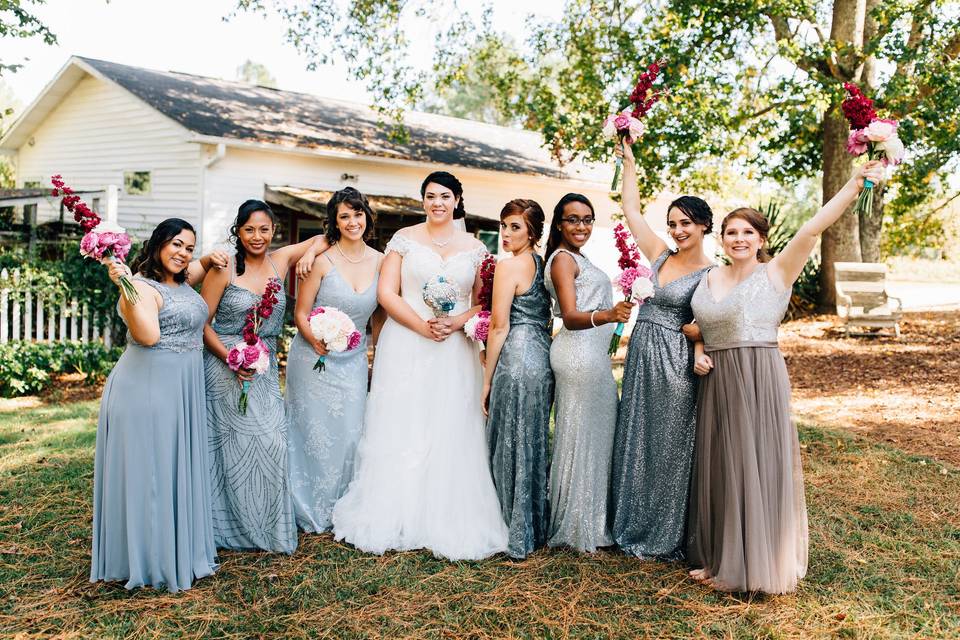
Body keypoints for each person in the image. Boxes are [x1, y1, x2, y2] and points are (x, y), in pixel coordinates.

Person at [686, 161, 885, 593]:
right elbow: (697, 324)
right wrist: (699, 349)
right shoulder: (709, 276)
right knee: (722, 462)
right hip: (717, 379)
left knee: (755, 461)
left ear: (762, 239)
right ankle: (721, 556)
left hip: (758, 374)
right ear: (721, 238)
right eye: (732, 232)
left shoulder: (776, 271)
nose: (739, 239)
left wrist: (853, 184)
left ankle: (756, 561)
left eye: (748, 233)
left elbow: (812, 229)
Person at [332, 171, 509, 560]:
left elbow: (483, 300)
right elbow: (386, 292)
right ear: (423, 200)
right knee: (404, 421)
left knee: (450, 422)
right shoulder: (404, 240)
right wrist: (422, 327)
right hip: (408, 342)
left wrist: (457, 322)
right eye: (430, 196)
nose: (438, 203)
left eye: (445, 196)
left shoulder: (476, 248)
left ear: (458, 200)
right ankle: (396, 509)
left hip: (454, 347)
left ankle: (447, 511)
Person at [91, 218, 226, 592]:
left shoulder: (180, 281)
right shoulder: (140, 286)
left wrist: (212, 258)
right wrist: (126, 288)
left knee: (169, 468)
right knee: (152, 474)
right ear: (158, 244)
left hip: (179, 390)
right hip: (147, 390)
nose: (183, 254)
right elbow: (148, 336)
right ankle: (151, 561)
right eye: (176, 245)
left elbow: (194, 277)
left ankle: (175, 547)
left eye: (189, 247)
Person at [200, 199, 328, 553]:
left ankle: (266, 529)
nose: (257, 236)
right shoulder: (223, 268)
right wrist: (230, 358)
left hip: (266, 366)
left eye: (264, 229)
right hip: (223, 363)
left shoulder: (281, 260)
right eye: (249, 230)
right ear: (238, 232)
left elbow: (328, 236)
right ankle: (225, 530)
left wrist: (308, 252)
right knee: (228, 449)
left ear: (274, 230)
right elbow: (202, 324)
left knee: (272, 443)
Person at [609, 142, 714, 559]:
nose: (677, 230)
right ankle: (628, 522)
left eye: (686, 223)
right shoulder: (658, 255)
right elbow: (632, 213)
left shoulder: (711, 273)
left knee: (669, 445)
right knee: (634, 435)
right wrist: (630, 163)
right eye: (672, 223)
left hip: (675, 364)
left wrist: (698, 340)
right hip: (640, 357)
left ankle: (664, 532)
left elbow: (709, 320)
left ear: (704, 226)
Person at [286, 188, 385, 533]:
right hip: (314, 357)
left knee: (349, 433)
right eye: (344, 216)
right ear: (334, 222)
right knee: (312, 431)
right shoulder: (321, 261)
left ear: (367, 217)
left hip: (355, 360)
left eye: (357, 214)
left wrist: (377, 359)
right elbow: (300, 313)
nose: (352, 222)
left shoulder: (382, 261)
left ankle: (343, 504)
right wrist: (317, 340)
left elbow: (379, 319)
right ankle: (305, 503)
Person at [543, 193, 633, 552]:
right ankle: (579, 524)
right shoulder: (563, 260)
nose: (581, 226)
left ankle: (592, 516)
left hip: (592, 354)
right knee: (582, 435)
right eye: (573, 219)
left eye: (587, 219)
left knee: (594, 434)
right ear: (560, 224)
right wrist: (609, 315)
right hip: (577, 354)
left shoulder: (579, 257)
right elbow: (570, 316)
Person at [482, 199, 553, 560]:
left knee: (509, 439)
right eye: (504, 225)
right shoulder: (543, 264)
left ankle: (509, 525)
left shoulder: (509, 267)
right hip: (542, 359)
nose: (506, 234)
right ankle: (532, 526)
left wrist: (485, 378)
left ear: (532, 232)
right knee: (533, 439)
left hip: (516, 357)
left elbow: (498, 326)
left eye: (515, 227)